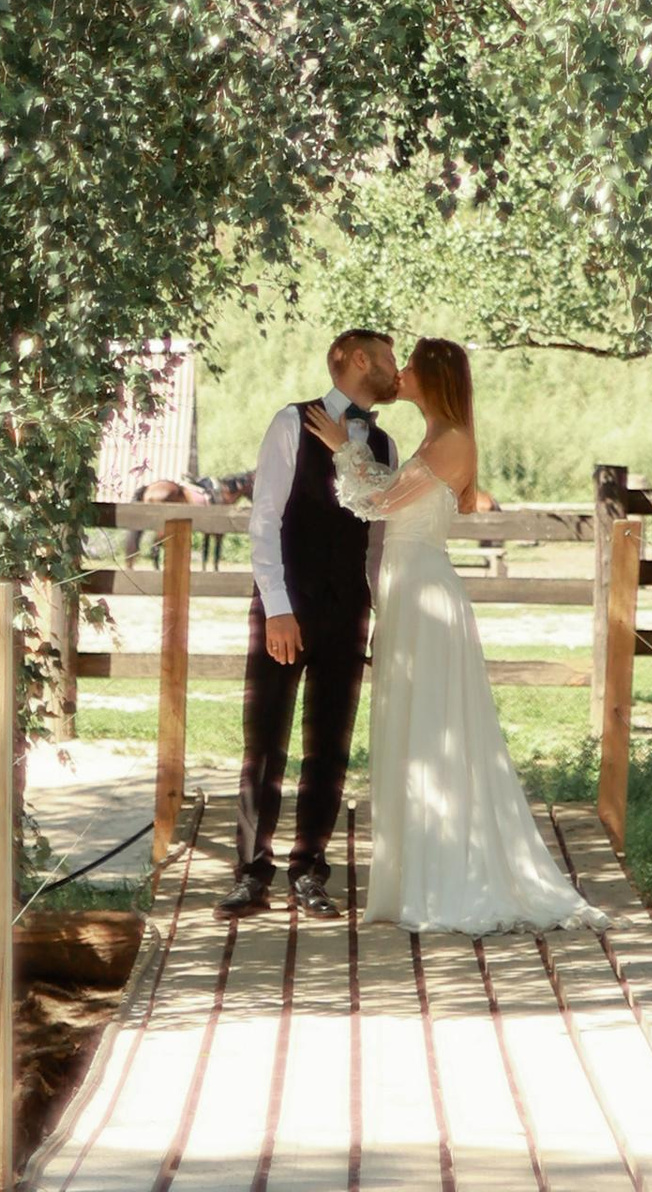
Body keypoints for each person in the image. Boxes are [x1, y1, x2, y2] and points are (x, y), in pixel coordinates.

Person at [304, 336, 592, 935]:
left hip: (426, 591)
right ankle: (419, 873)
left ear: (432, 377)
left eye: (409, 365)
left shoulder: (453, 441)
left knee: (436, 730)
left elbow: (380, 501)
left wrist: (342, 450)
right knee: (415, 728)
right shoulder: (433, 440)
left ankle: (446, 881)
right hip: (407, 594)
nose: (399, 373)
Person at [219, 327, 400, 920]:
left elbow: (375, 540)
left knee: (330, 743)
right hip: (287, 604)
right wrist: (276, 606)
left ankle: (309, 868)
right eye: (388, 359)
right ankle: (252, 871)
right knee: (265, 741)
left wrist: (377, 609)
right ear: (355, 359)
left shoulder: (387, 445)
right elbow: (265, 518)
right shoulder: (291, 423)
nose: (396, 370)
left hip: (347, 609)